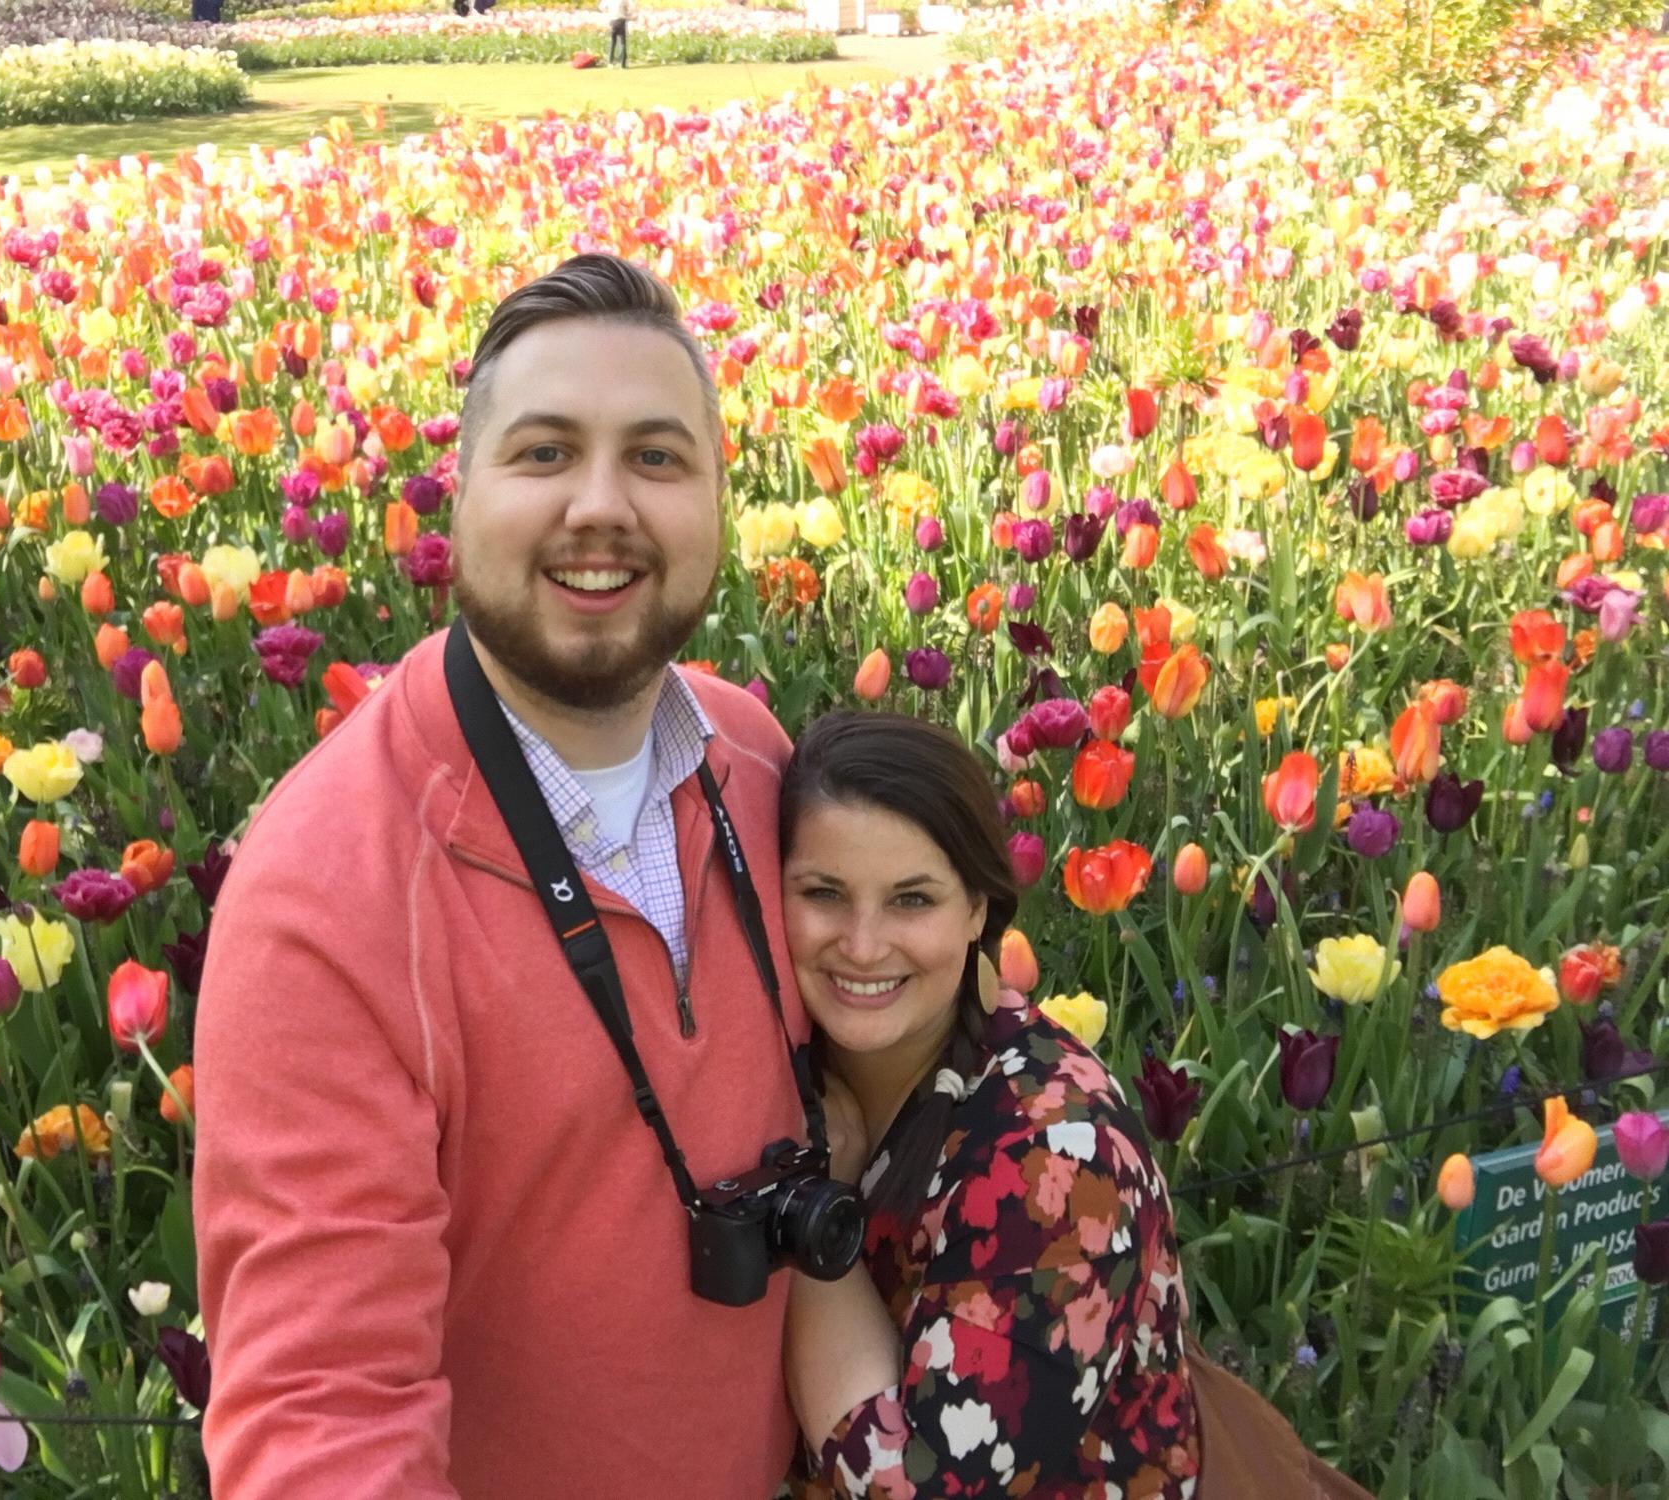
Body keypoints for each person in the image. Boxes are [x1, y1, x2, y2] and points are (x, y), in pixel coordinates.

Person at [194, 255, 817, 1498]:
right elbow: (319, 1421)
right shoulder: (330, 897)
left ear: (717, 501)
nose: (601, 506)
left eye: (656, 457)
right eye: (542, 454)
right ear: (458, 496)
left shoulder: (754, 761)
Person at [776, 712, 1203, 1497]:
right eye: (824, 893)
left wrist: (810, 1216)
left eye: (912, 900)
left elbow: (920, 1488)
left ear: (978, 908)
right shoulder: (772, 1066)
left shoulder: (1059, 1157)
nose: (864, 945)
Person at [601, 0, 631, 67]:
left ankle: (610, 62)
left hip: (613, 20)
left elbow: (602, 7)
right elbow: (628, 7)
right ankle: (623, 63)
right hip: (621, 20)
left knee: (612, 42)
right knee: (622, 42)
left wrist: (608, 12)